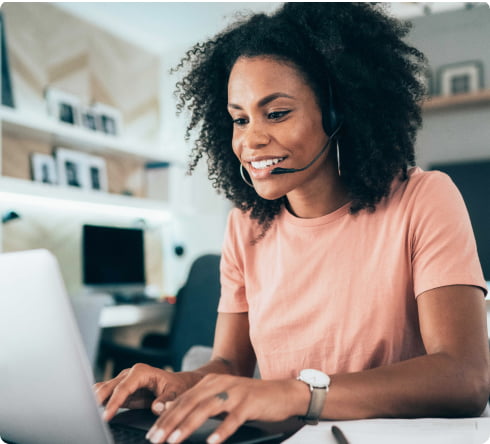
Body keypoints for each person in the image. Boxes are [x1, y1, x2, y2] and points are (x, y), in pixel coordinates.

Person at [95, 4, 489, 444]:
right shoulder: (245, 226)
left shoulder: (423, 198)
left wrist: (297, 394)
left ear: (340, 113)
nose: (251, 139)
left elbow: (464, 377)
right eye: (240, 119)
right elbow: (229, 367)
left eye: (277, 113)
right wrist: (176, 383)